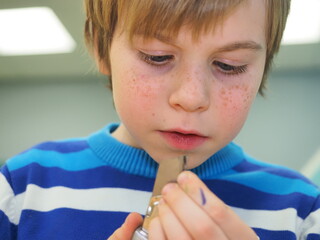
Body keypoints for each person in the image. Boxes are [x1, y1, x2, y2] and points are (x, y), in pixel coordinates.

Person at [0, 0, 319, 239]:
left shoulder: (302, 212)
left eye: (229, 65)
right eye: (157, 56)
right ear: (101, 47)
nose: (192, 98)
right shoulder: (22, 188)